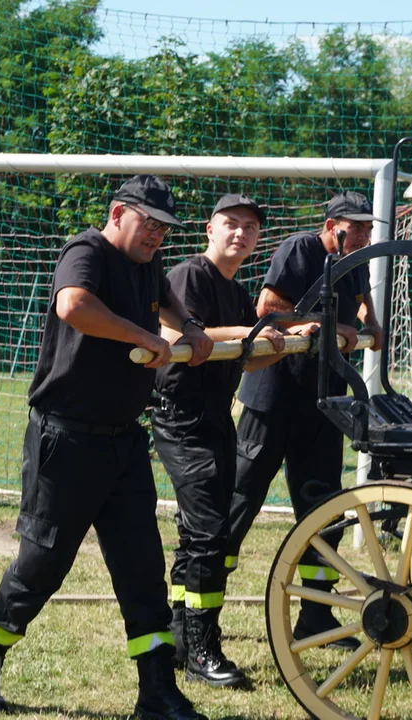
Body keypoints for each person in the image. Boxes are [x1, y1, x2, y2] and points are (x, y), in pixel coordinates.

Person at [0, 174, 214, 720]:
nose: (157, 237)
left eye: (165, 229)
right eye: (149, 224)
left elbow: (167, 301)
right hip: (65, 439)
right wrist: (145, 336)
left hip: (124, 441)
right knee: (42, 564)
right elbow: (74, 306)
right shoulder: (86, 249)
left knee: (143, 568)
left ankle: (157, 691)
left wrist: (189, 327)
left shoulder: (148, 267)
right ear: (119, 213)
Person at [225, 191, 384, 650]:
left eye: (370, 229)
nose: (367, 235)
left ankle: (316, 617)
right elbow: (269, 307)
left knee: (322, 513)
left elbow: (361, 310)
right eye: (360, 228)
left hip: (322, 403)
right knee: (239, 503)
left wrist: (370, 326)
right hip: (274, 401)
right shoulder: (301, 249)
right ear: (335, 226)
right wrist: (316, 328)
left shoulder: (354, 261)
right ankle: (195, 615)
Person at [152, 193, 286, 689]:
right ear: (210, 228)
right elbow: (193, 337)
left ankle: (179, 638)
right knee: (210, 532)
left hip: (216, 419)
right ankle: (203, 649)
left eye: (250, 228)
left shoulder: (238, 289)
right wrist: (254, 332)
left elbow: (239, 357)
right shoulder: (190, 275)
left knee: (200, 533)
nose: (240, 234)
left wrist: (280, 345)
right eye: (231, 224)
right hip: (182, 419)